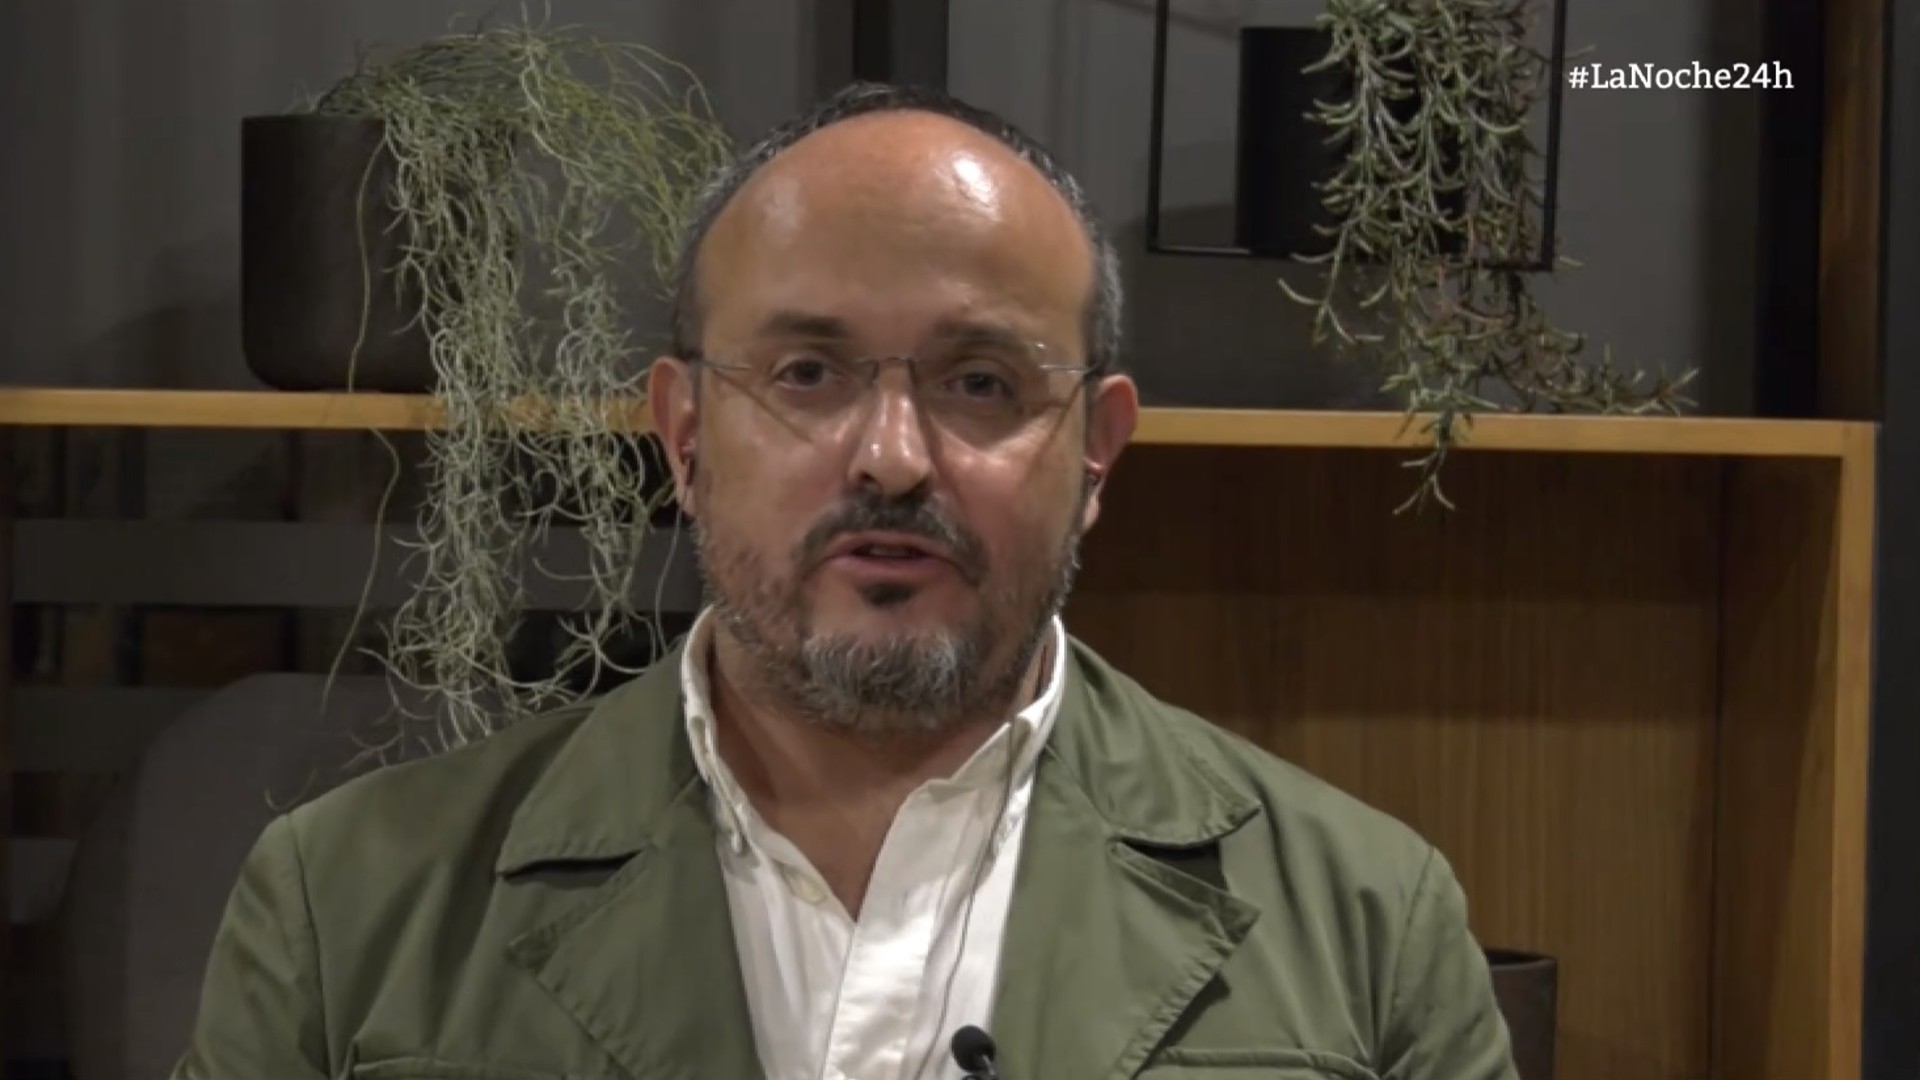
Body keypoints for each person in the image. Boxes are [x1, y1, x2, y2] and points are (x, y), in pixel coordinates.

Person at [172, 82, 1519, 1080]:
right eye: (807, 373)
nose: (892, 458)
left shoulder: (1365, 923)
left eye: (981, 382)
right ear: (685, 437)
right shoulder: (349, 906)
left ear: (1096, 453)